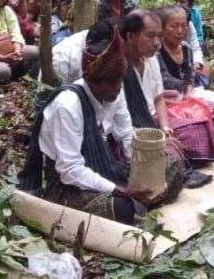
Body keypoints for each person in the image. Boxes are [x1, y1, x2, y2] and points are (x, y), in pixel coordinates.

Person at [19, 23, 158, 224]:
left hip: (103, 165)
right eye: (111, 82)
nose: (118, 88)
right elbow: (70, 170)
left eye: (120, 81)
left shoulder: (114, 93)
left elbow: (126, 134)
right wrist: (120, 190)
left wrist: (142, 170)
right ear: (91, 80)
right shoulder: (67, 105)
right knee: (123, 209)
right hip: (66, 184)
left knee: (165, 171)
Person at [122, 10, 206, 188]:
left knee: (198, 129)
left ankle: (177, 162)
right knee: (165, 155)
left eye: (158, 36)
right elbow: (121, 122)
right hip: (133, 130)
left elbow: (159, 98)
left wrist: (165, 127)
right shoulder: (119, 68)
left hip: (153, 120)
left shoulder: (151, 59)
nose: (156, 43)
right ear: (130, 36)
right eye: (150, 36)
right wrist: (157, 137)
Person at [156, 6, 214, 163]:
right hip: (165, 98)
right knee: (192, 117)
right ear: (162, 27)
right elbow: (162, 79)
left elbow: (191, 75)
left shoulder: (186, 48)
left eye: (183, 26)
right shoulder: (157, 49)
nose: (179, 30)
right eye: (174, 26)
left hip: (185, 95)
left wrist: (188, 90)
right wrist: (183, 90)